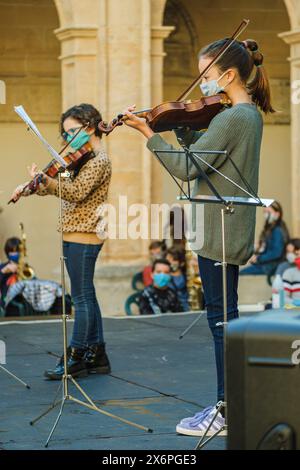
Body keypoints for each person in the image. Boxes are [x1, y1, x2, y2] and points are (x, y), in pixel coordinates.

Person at [123, 37, 274, 436]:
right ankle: (233, 403)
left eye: (206, 74)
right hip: (226, 225)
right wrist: (184, 126)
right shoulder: (244, 115)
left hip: (220, 227)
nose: (202, 83)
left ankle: (229, 409)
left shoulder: (233, 117)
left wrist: (148, 133)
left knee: (221, 321)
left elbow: (187, 170)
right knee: (225, 318)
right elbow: (204, 160)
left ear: (227, 75)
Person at [10, 103, 112, 380]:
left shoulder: (99, 160)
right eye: (65, 134)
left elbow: (76, 192)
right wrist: (35, 186)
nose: (68, 139)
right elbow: (62, 185)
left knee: (81, 298)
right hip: (74, 232)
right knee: (86, 294)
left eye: (72, 132)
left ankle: (77, 355)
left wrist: (49, 183)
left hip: (85, 233)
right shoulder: (81, 160)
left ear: (90, 127)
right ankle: (97, 353)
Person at [240, 201, 289, 280]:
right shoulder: (271, 228)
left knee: (241, 273)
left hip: (272, 265)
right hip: (268, 264)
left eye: (269, 212)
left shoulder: (277, 230)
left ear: (277, 214)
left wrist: (259, 258)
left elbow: (276, 252)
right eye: (265, 212)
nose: (266, 215)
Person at [0, 237, 21, 308]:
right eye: (12, 251)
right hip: (7, 304)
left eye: (17, 251)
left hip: (22, 302)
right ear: (7, 253)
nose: (15, 254)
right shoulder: (2, 267)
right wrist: (3, 271)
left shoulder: (25, 268)